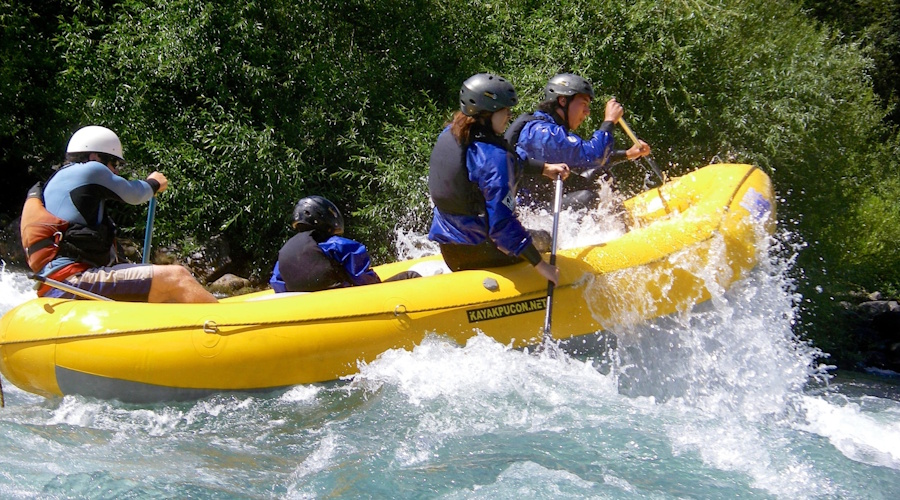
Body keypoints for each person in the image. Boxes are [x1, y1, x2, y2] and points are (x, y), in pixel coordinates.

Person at [24, 125, 218, 302]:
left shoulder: (60, 180)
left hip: (58, 280)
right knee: (177, 276)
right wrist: (154, 183)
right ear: (94, 157)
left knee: (160, 282)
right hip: (73, 279)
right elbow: (134, 194)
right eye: (114, 162)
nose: (115, 171)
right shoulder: (91, 170)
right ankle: (223, 324)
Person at [427, 73, 570, 285]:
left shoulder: (453, 134)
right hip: (484, 252)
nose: (509, 116)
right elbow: (502, 225)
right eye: (506, 110)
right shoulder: (494, 158)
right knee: (545, 238)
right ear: (487, 113)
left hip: (451, 252)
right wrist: (542, 266)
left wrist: (544, 168)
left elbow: (494, 165)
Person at [505, 72, 651, 209]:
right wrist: (609, 121)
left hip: (544, 202)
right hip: (532, 212)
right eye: (584, 104)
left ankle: (622, 221)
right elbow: (594, 155)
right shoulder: (544, 133)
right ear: (563, 101)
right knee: (586, 197)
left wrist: (627, 154)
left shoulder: (548, 129)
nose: (587, 112)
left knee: (600, 175)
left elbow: (583, 159)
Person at [270, 195, 418, 293]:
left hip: (307, 310)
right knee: (411, 276)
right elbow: (365, 281)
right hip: (348, 303)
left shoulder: (284, 254)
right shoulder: (337, 245)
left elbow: (277, 285)